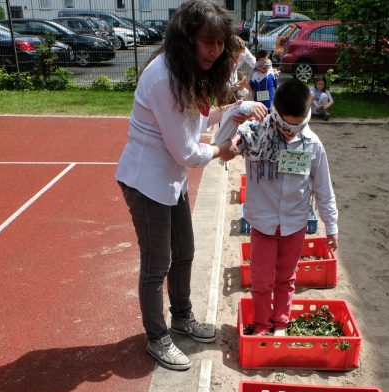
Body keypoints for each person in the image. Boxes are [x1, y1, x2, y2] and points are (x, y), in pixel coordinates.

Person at [115, 0, 239, 371]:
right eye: (207, 42)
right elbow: (187, 150)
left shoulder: (186, 72)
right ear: (186, 40)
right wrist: (222, 150)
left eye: (220, 43)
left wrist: (234, 111)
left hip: (171, 179)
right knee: (157, 264)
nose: (214, 51)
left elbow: (196, 124)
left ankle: (182, 316)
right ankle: (157, 337)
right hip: (146, 181)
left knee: (184, 251)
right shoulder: (162, 79)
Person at [216, 79, 339, 336]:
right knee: (261, 281)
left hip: (295, 224)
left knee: (286, 277)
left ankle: (281, 323)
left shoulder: (312, 145)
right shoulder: (254, 134)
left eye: (297, 126)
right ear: (274, 112)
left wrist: (331, 227)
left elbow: (323, 189)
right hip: (263, 223)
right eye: (284, 126)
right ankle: (262, 323)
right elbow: (223, 149)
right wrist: (236, 113)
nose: (290, 133)